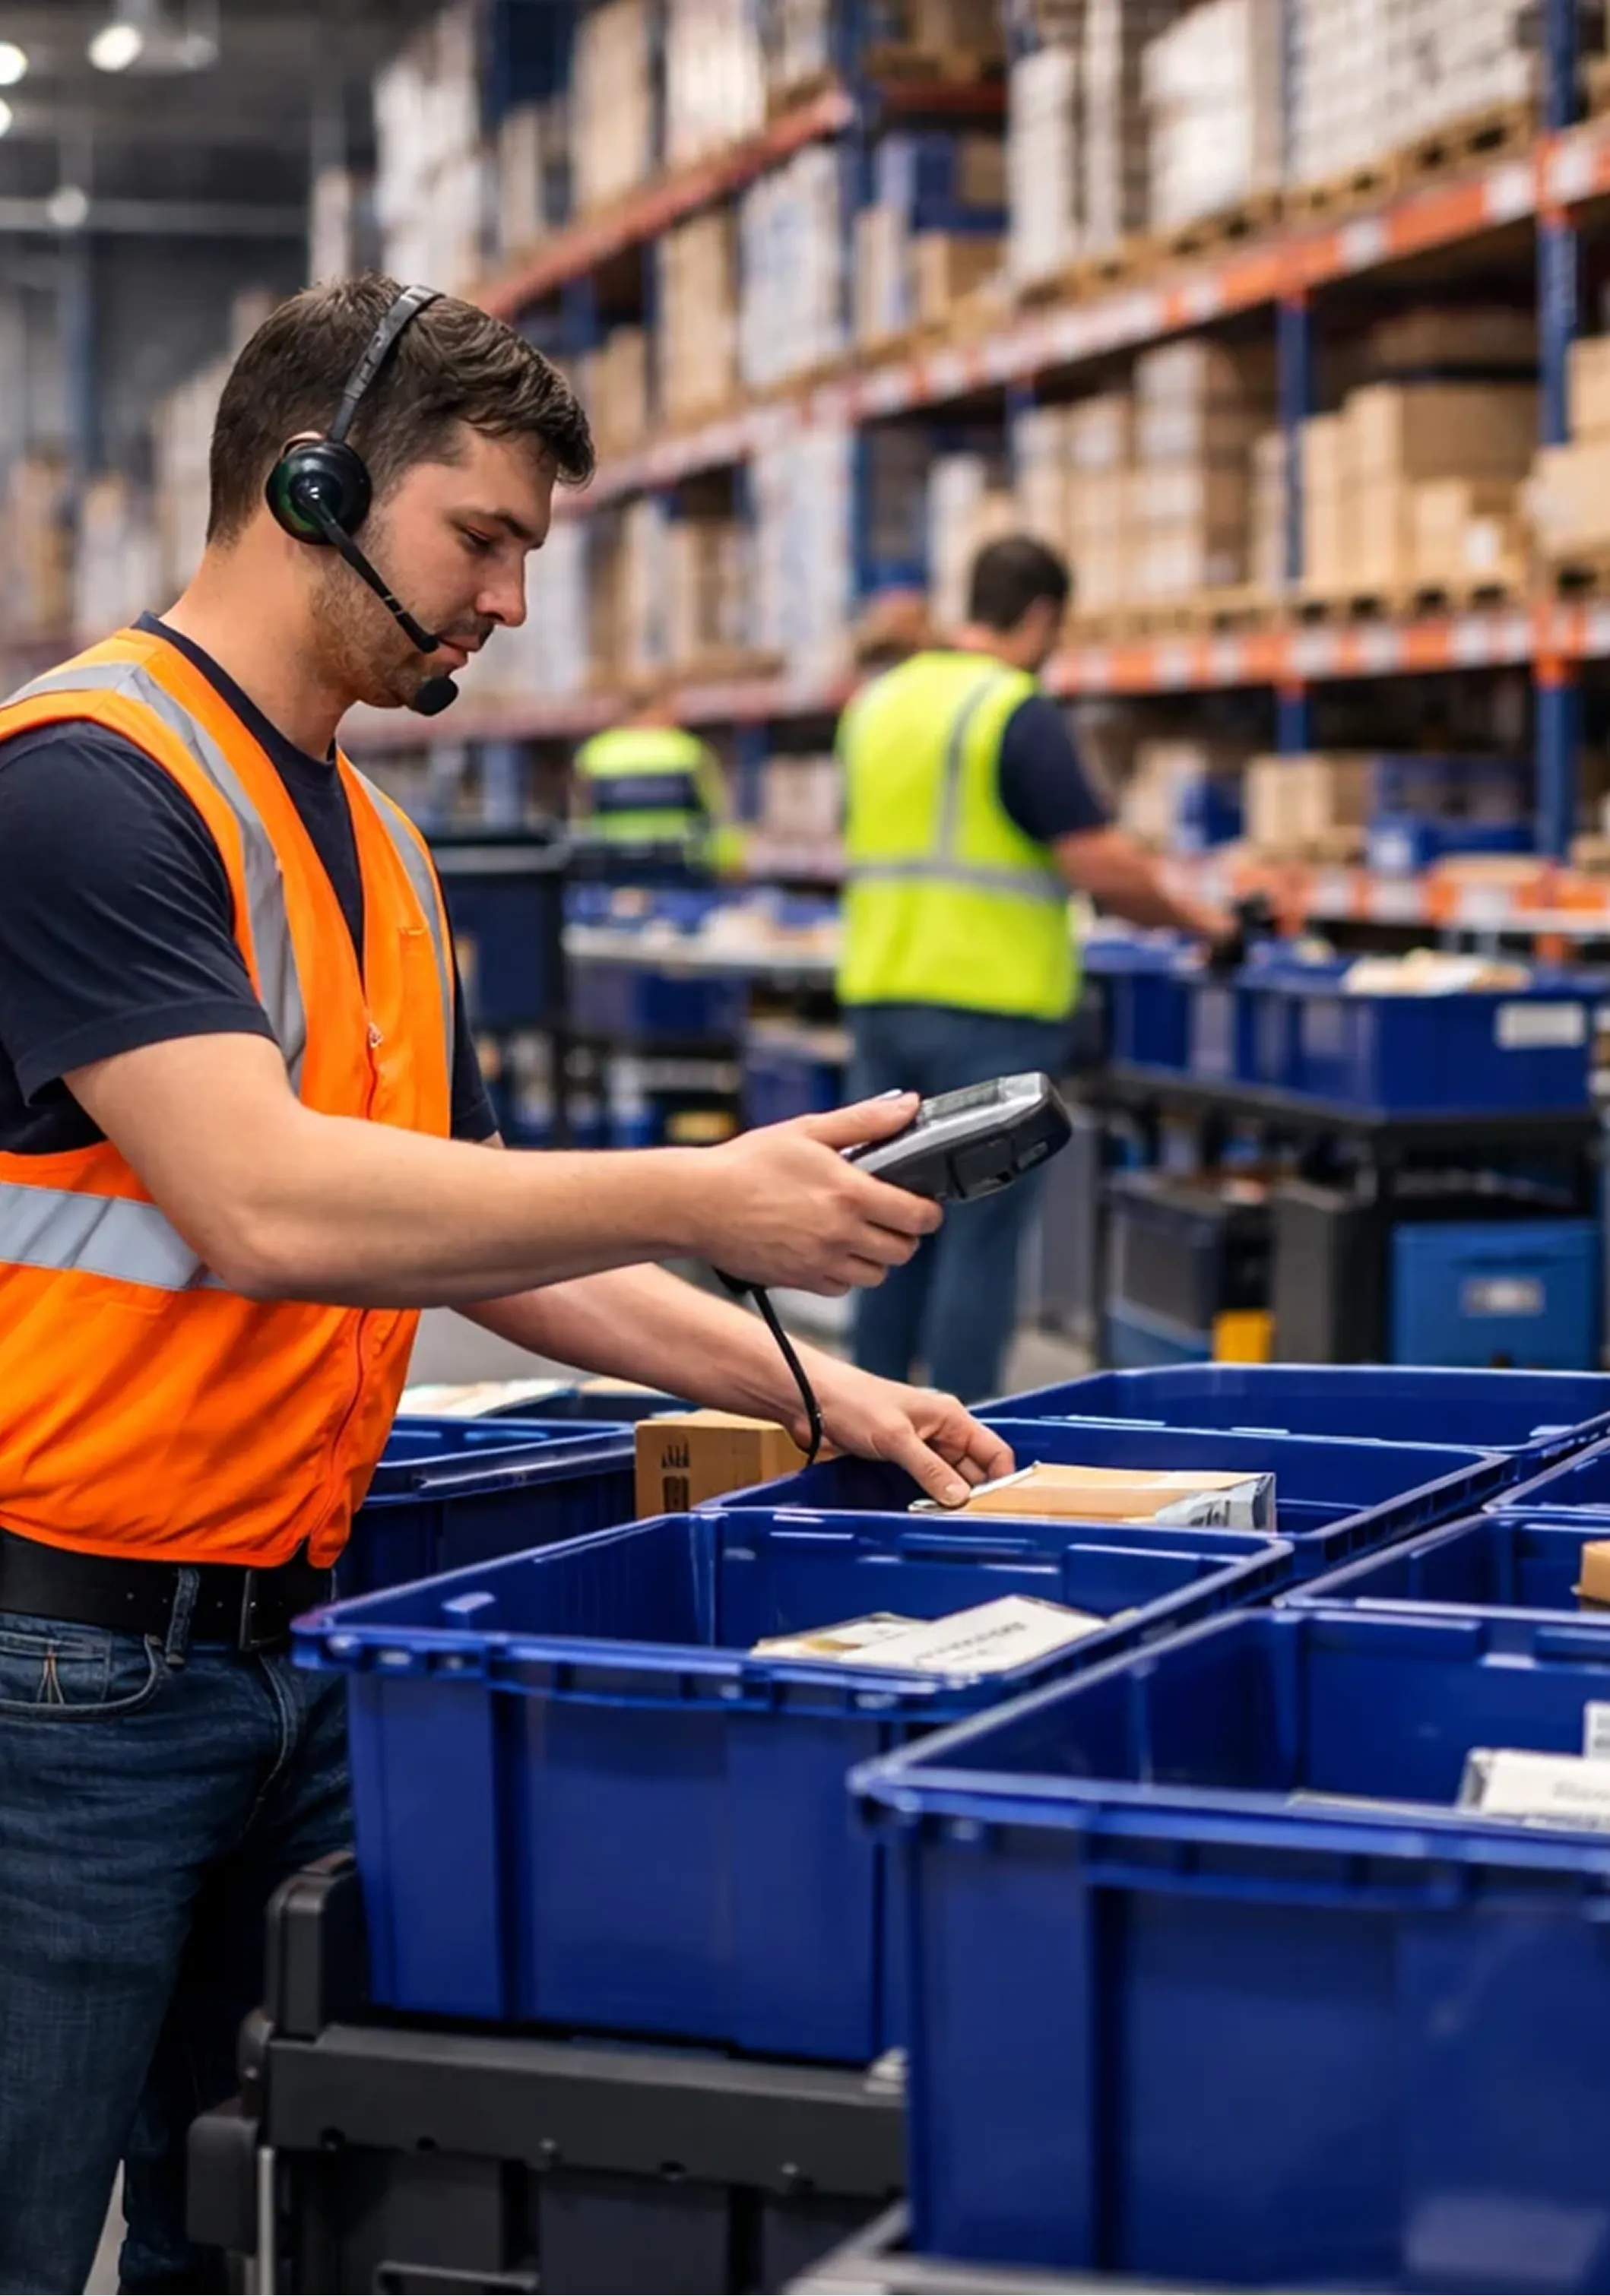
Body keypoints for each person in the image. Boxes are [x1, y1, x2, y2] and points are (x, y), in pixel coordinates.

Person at [0, 274, 1013, 2296]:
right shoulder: (80, 784)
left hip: (295, 1648)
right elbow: (264, 1202)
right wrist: (712, 1189)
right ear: (307, 481)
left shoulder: (381, 840)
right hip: (63, 1681)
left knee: (239, 2225)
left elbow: (482, 1231)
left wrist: (822, 1391)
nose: (511, 603)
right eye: (482, 538)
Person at [836, 533, 1234, 1403]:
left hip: (879, 996)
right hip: (989, 1009)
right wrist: (1200, 921)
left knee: (883, 1224)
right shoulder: (1011, 709)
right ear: (1045, 615)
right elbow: (1096, 863)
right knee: (980, 1237)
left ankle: (867, 1429)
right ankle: (960, 1441)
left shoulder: (879, 703)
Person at [572, 670, 740, 874]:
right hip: (680, 871)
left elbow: (581, 821)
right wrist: (729, 868)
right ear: (661, 706)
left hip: (615, 871)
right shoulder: (688, 751)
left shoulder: (596, 754)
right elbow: (719, 819)